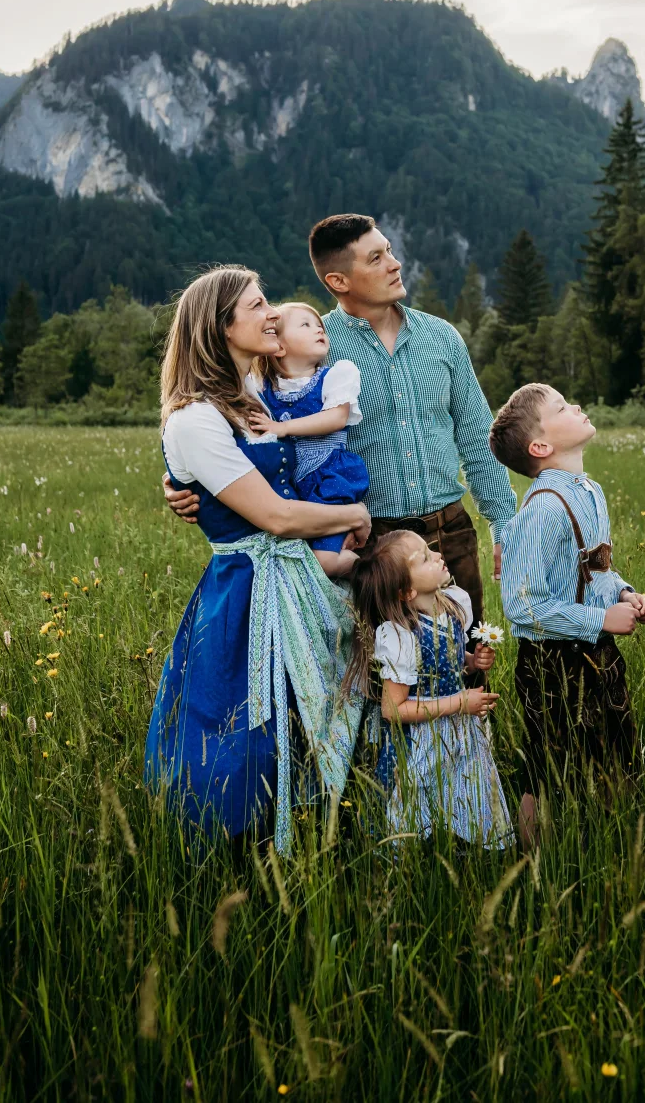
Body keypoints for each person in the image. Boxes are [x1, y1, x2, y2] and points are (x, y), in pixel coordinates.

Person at [164, 215, 518, 684]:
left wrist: (504, 525)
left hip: (448, 530)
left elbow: (476, 439)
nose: (395, 263)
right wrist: (182, 483)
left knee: (464, 662)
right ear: (338, 280)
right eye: (377, 257)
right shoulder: (308, 346)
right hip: (370, 539)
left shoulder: (442, 339)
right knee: (381, 677)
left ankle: (470, 755)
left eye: (390, 250)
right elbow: (229, 416)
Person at [145, 266, 371, 857]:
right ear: (221, 328)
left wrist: (177, 484)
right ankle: (235, 850)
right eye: (259, 304)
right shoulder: (196, 418)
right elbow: (273, 516)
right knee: (239, 719)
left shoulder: (249, 400)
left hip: (293, 575)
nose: (274, 313)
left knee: (309, 709)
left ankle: (312, 835)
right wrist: (351, 517)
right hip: (248, 586)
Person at [491, 383, 645, 848]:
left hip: (598, 649)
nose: (577, 405)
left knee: (615, 743)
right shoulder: (542, 509)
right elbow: (521, 605)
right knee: (546, 759)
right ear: (540, 446)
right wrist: (599, 620)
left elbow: (592, 567)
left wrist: (624, 592)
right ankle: (530, 856)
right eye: (562, 407)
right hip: (551, 660)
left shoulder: (589, 490)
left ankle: (618, 840)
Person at [345, 530, 514, 850]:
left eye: (431, 550)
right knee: (418, 804)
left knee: (466, 791)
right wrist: (459, 702)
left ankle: (466, 853)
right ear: (407, 590)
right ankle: (416, 860)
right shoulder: (400, 637)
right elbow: (392, 709)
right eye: (424, 557)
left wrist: (472, 663)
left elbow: (448, 662)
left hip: (460, 733)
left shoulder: (453, 606)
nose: (438, 556)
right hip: (421, 742)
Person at [247, 301, 369, 580]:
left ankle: (367, 566)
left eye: (319, 325)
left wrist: (283, 427)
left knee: (324, 562)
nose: (318, 329)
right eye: (305, 325)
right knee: (296, 561)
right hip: (290, 486)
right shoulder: (263, 387)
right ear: (279, 347)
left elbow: (336, 418)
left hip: (329, 478)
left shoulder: (335, 376)